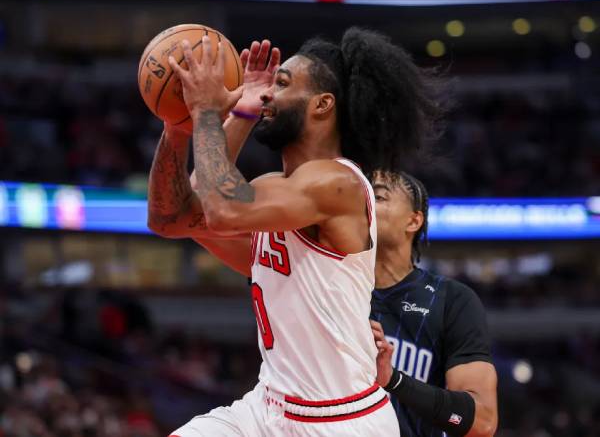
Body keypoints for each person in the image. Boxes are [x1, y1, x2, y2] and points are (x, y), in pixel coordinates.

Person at [147, 28, 441, 437]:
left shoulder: (337, 185)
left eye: (280, 85)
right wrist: (179, 125)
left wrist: (206, 114)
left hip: (340, 421)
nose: (266, 93)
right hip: (267, 408)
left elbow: (221, 209)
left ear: (322, 105)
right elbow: (171, 217)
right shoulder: (275, 191)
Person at [369, 171, 498, 437]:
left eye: (378, 196)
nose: (365, 202)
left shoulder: (451, 299)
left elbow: (482, 421)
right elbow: (258, 211)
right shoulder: (330, 287)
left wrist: (394, 380)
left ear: (413, 220)